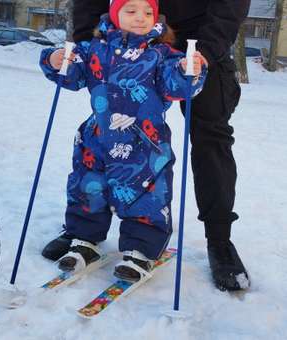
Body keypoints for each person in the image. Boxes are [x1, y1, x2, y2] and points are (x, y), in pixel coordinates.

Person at [43, 0, 252, 291]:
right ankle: (84, 231)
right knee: (106, 137)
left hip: (199, 36)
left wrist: (206, 50)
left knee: (210, 135)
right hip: (131, 24)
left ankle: (219, 239)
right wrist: (86, 44)